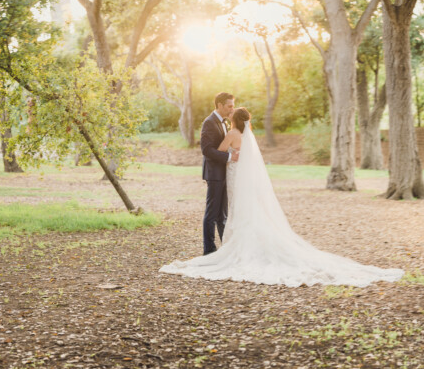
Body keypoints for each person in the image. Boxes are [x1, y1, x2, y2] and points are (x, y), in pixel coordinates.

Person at [161, 107, 404, 287]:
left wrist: (228, 153)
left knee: (232, 210)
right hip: (236, 177)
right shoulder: (246, 136)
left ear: (234, 119)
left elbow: (219, 151)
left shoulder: (233, 133)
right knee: (238, 210)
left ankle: (229, 247)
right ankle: (228, 244)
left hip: (234, 177)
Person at [198, 92, 239, 255]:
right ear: (220, 105)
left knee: (223, 214)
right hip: (214, 174)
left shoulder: (225, 123)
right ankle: (209, 250)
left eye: (233, 105)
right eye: (229, 106)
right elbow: (206, 150)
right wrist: (229, 156)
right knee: (212, 213)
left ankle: (225, 248)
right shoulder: (209, 123)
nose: (232, 109)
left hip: (224, 173)